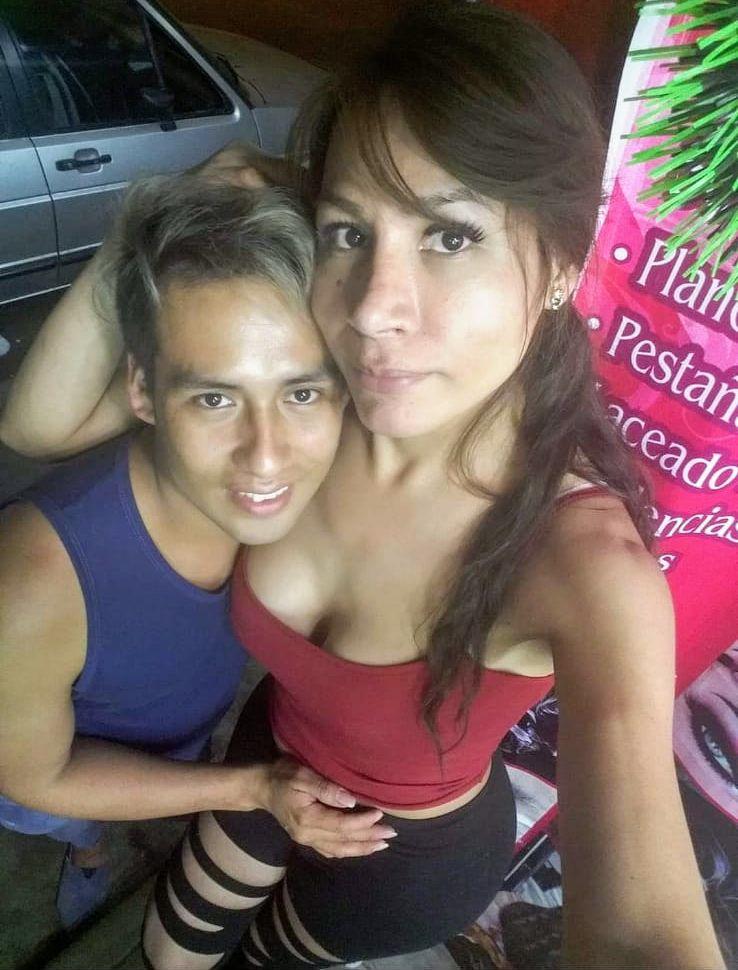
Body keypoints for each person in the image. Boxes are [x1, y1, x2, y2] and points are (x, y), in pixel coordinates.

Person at [2, 3, 725, 967]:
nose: (376, 310)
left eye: (451, 237)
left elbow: (642, 934)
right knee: (168, 954)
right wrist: (165, 215)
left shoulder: (581, 560)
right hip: (270, 757)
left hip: (405, 855)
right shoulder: (318, 406)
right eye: (349, 233)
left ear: (562, 262)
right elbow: (35, 427)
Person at [0, 178, 394, 929]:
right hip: (59, 766)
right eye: (215, 399)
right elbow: (36, 774)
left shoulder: (294, 496)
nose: (267, 457)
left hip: (181, 727)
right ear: (141, 392)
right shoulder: (38, 580)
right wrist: (249, 789)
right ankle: (90, 858)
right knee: (80, 823)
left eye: (301, 394)